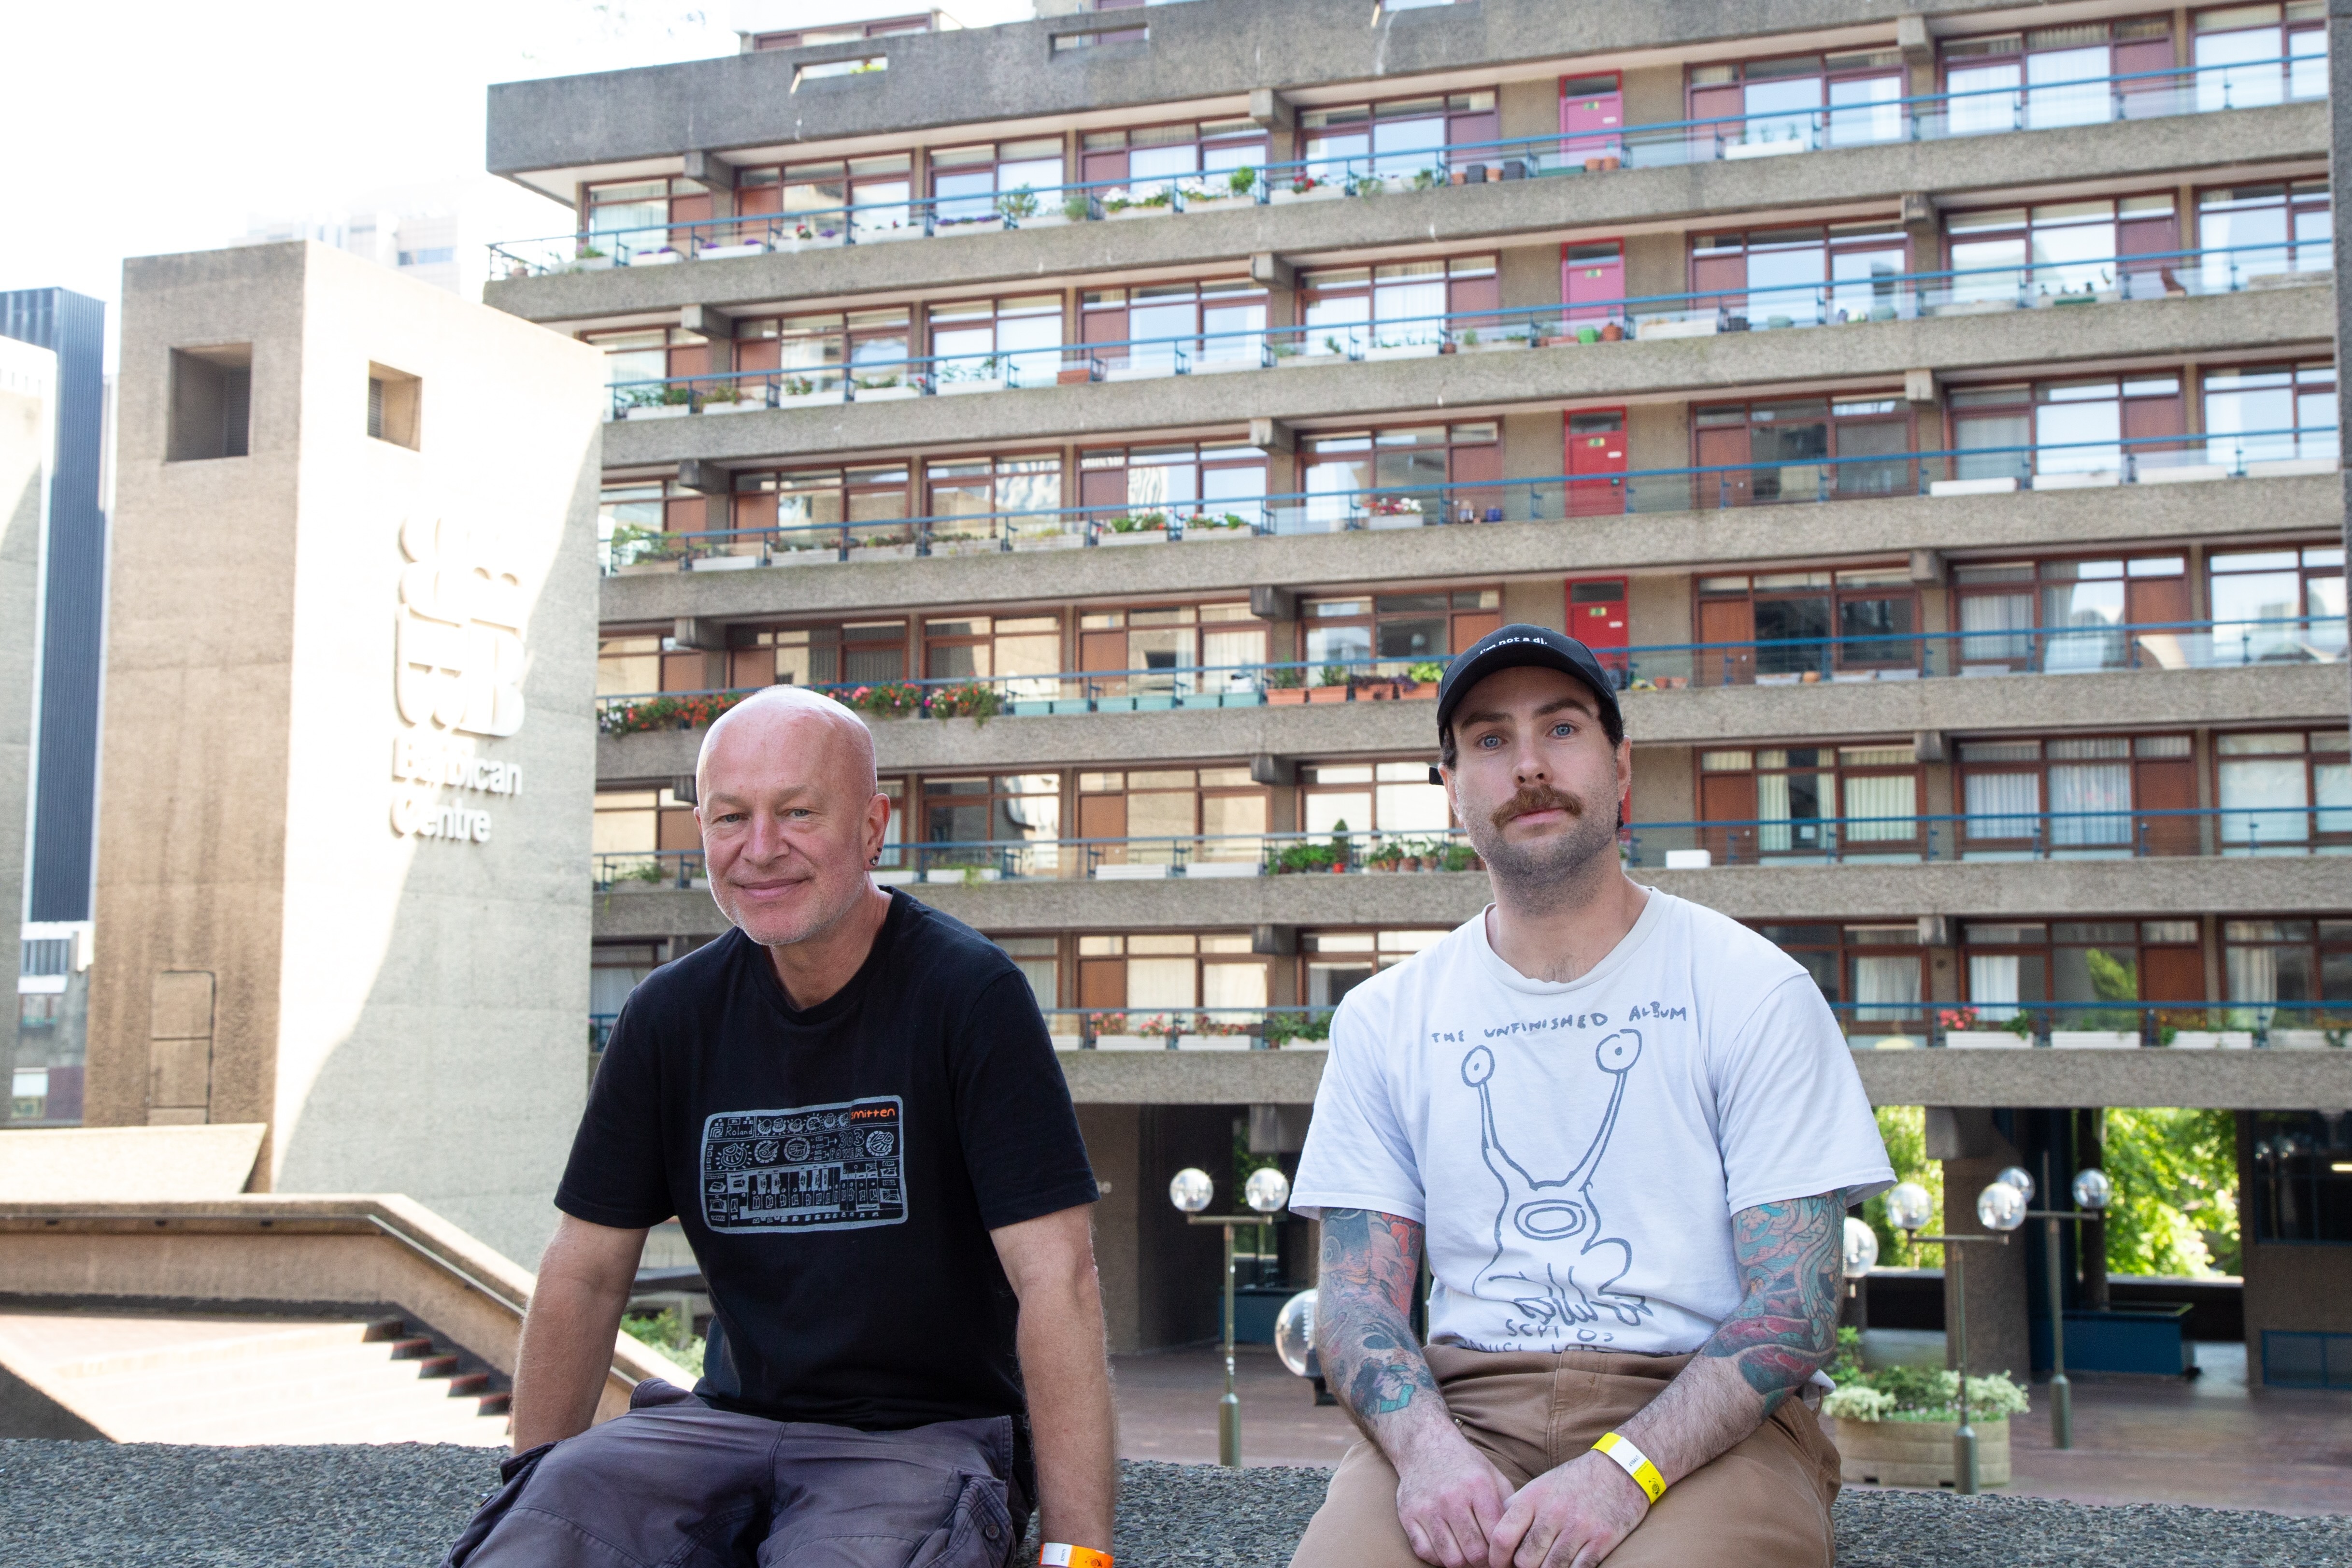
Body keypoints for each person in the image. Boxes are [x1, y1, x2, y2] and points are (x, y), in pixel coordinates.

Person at [442, 685, 1116, 1568]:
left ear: (873, 827)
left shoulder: (968, 995)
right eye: (731, 817)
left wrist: (1078, 1555)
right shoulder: (669, 1015)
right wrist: (533, 1481)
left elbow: (1058, 1279)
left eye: (798, 812)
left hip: (918, 1442)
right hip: (719, 1426)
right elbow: (587, 1270)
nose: (760, 849)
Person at [1286, 624, 1893, 1568]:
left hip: (1699, 1421)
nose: (1527, 765)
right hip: (1464, 1409)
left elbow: (1795, 1303)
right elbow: (1359, 1302)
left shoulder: (1750, 988)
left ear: (1620, 768)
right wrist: (1428, 1454)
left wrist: (1624, 1472)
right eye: (1487, 741)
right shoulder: (1382, 1018)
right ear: (1450, 792)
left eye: (1560, 729)